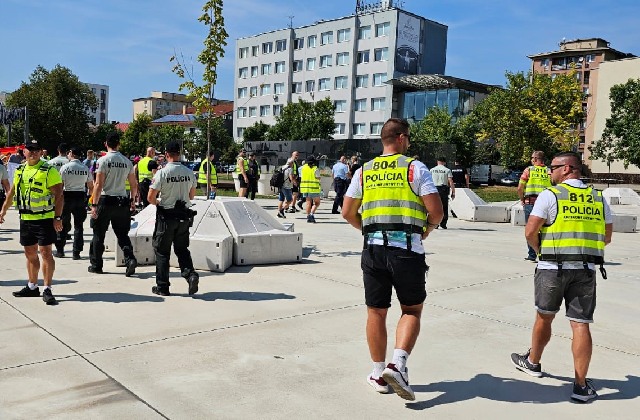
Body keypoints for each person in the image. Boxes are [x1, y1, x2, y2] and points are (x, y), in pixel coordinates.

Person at [342, 118, 443, 401]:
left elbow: (348, 212)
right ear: (400, 138)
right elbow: (436, 213)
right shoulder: (414, 167)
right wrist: (426, 231)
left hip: (373, 250)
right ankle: (397, 365)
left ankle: (377, 373)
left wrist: (371, 229)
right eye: (408, 137)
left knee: (376, 311)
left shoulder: (364, 170)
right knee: (411, 310)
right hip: (407, 250)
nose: (409, 142)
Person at [511, 152, 613, 403]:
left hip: (552, 268)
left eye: (553, 168)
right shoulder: (599, 198)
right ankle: (580, 385)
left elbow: (530, 231)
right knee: (580, 323)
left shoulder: (551, 195)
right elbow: (606, 237)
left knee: (544, 317)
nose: (549, 172)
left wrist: (539, 252)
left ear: (567, 169)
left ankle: (533, 362)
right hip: (586, 269)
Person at [0, 140, 64, 305]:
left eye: (37, 150)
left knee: (46, 253)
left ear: (41, 152)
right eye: (30, 150)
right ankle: (32, 286)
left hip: (44, 218)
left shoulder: (49, 170)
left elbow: (59, 195)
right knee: (29, 253)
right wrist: (3, 210)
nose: (34, 153)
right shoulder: (20, 170)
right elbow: (12, 192)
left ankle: (47, 288)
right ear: (24, 152)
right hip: (26, 218)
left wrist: (57, 217)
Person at [147, 141, 199, 296]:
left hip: (166, 217)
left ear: (166, 154)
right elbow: (191, 196)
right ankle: (190, 275)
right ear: (179, 153)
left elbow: (150, 197)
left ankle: (162, 287)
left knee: (162, 252)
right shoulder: (189, 172)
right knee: (182, 249)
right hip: (183, 217)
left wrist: (158, 202)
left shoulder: (162, 173)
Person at [89, 132, 138, 276]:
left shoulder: (103, 161)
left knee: (98, 234)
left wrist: (94, 204)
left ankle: (96, 265)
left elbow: (98, 184)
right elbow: (133, 184)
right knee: (122, 234)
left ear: (106, 144)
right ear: (119, 144)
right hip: (122, 201)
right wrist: (132, 200)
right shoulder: (127, 161)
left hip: (105, 200)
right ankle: (130, 259)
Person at [54, 147, 93, 259]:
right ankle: (76, 252)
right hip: (80, 196)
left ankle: (60, 250)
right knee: (79, 226)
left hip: (67, 196)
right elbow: (91, 186)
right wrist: (88, 198)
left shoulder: (65, 168)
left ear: (71, 154)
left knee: (63, 224)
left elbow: (60, 186)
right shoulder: (85, 168)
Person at [518, 151, 552, 262]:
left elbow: (520, 187)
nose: (531, 159)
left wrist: (522, 199)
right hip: (546, 204)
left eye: (532, 157)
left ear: (536, 159)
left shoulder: (529, 170)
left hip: (530, 203)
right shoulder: (549, 171)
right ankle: (545, 253)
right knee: (545, 229)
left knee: (531, 229)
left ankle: (532, 255)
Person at [430, 157, 455, 229]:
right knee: (444, 207)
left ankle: (435, 223)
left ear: (437, 161)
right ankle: (443, 223)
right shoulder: (447, 170)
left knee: (435, 207)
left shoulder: (432, 170)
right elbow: (450, 181)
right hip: (443, 190)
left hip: (434, 189)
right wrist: (453, 192)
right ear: (444, 162)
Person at [299, 155, 321, 223]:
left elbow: (301, 176)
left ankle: (308, 216)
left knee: (308, 202)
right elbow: (318, 177)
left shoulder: (303, 168)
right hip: (314, 188)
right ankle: (311, 214)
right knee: (317, 203)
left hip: (305, 188)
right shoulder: (315, 168)